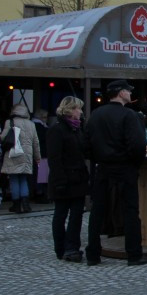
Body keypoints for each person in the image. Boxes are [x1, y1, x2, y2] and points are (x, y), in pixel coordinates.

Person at [83, 80, 147, 266]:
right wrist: (134, 163)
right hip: (125, 167)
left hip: (103, 167)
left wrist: (98, 158)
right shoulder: (129, 116)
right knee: (130, 211)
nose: (130, 93)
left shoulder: (95, 115)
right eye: (128, 91)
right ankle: (134, 254)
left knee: (97, 211)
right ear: (121, 93)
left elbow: (85, 145)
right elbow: (137, 145)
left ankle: (93, 254)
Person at [47, 97, 89, 262]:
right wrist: (60, 181)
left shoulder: (77, 129)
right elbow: (54, 158)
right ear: (70, 110)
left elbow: (83, 150)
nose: (80, 112)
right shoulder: (57, 130)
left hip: (78, 178)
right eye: (78, 109)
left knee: (77, 214)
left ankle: (72, 247)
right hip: (63, 178)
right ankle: (61, 247)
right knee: (61, 214)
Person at [0, 104, 42, 214]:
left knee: (14, 179)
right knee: (23, 179)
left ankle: (16, 205)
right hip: (26, 155)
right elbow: (36, 142)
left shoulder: (9, 122)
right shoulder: (31, 124)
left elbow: (3, 137)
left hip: (13, 153)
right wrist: (37, 157)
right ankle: (26, 205)